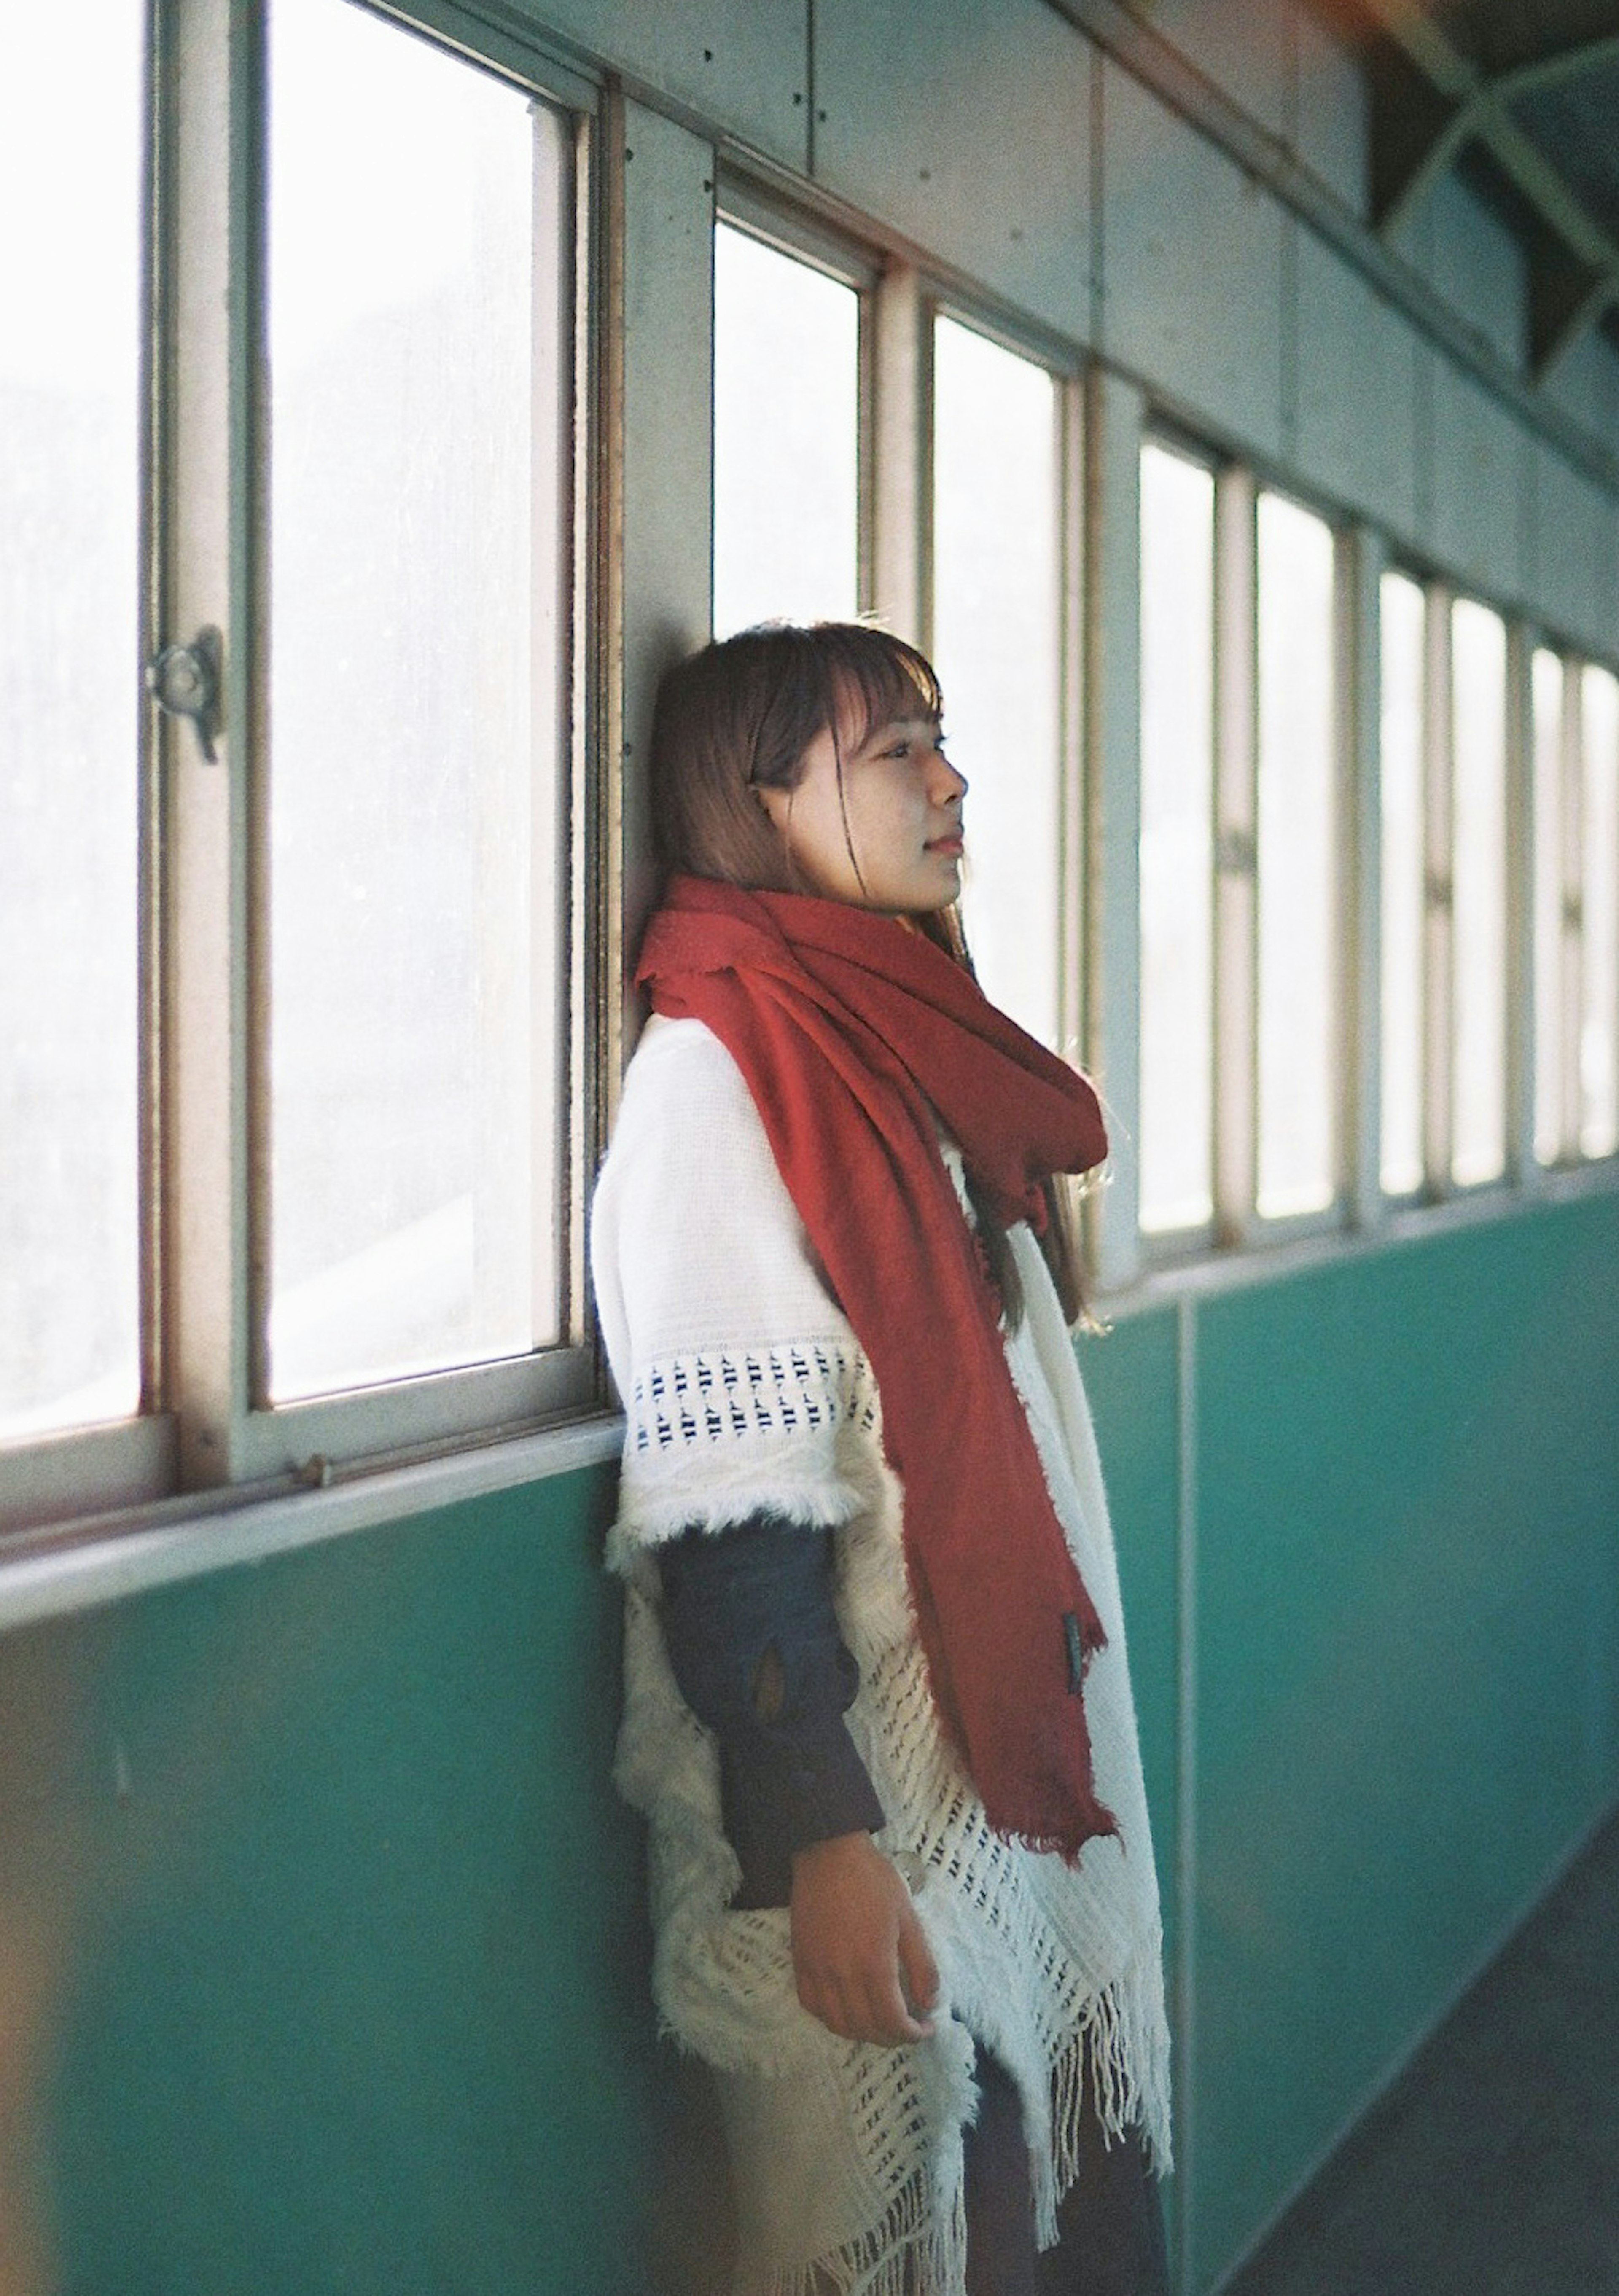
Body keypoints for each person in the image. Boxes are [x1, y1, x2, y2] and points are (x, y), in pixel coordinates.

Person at [590, 622, 1171, 2296]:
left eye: (940, 739)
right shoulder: (718, 1079)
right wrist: (824, 1840)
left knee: (1047, 2231)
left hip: (984, 1795)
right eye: (895, 750)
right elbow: (731, 1516)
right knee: (928, 2229)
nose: (950, 777)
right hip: (863, 1812)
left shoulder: (887, 1039)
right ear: (760, 805)